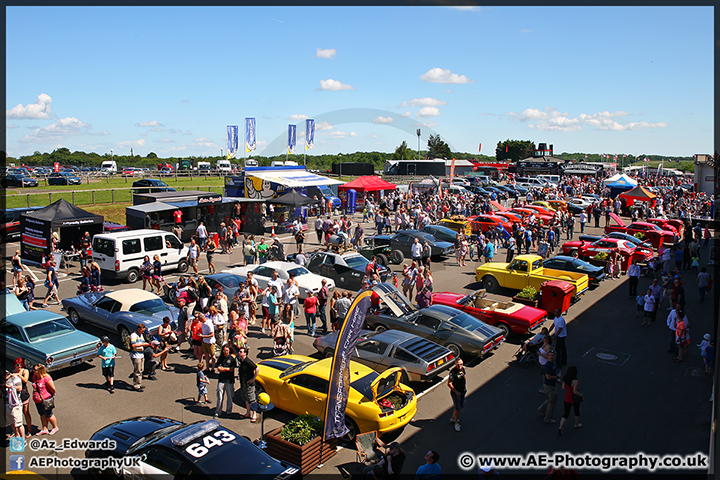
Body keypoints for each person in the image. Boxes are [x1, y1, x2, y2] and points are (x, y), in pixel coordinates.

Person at [32, 364, 58, 435]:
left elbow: (53, 389)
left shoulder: (45, 378)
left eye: (35, 370)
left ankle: (55, 427)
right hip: (37, 400)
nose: (33, 371)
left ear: (40, 371)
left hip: (46, 399)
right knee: (42, 414)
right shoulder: (34, 377)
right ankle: (44, 428)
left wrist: (51, 396)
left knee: (48, 415)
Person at [214, 343, 238, 418]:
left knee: (230, 397)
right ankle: (218, 411)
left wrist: (223, 369)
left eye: (227, 350)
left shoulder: (232, 359)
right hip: (221, 380)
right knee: (220, 397)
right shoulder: (220, 358)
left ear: (229, 350)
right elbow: (218, 368)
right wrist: (226, 369)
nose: (225, 352)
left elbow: (232, 369)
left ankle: (228, 411)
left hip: (229, 380)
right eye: (224, 350)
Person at [558, 366, 583, 435]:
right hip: (574, 398)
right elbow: (575, 391)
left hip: (567, 397)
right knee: (576, 411)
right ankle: (576, 424)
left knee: (566, 414)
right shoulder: (575, 381)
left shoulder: (566, 379)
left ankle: (561, 426)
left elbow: (563, 388)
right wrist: (581, 395)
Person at [237, 347, 259, 422]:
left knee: (251, 399)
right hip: (243, 383)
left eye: (241, 352)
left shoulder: (247, 361)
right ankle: (248, 413)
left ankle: (254, 414)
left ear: (245, 353)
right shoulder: (241, 361)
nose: (239, 353)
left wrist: (253, 379)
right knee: (246, 398)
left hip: (249, 384)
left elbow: (257, 368)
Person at [12, 358, 33, 437]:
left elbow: (25, 380)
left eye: (21, 364)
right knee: (17, 413)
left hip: (24, 394)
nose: (19, 366)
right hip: (16, 395)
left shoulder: (24, 371)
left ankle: (29, 430)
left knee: (26, 411)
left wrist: (19, 375)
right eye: (17, 365)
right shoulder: (13, 372)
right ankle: (17, 430)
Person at [537, 351, 559, 424]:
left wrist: (557, 380)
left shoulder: (552, 364)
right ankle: (547, 418)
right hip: (549, 385)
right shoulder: (548, 365)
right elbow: (548, 377)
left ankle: (541, 409)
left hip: (551, 384)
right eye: (550, 355)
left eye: (553, 355)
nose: (551, 357)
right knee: (552, 402)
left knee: (550, 399)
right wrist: (557, 377)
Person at [6, 368, 25, 439]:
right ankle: (17, 435)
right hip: (7, 404)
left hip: (16, 404)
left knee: (19, 424)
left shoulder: (15, 379)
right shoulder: (3, 380)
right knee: (12, 422)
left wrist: (9, 387)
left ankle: (23, 440)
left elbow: (19, 388)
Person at [448, 358, 466, 432]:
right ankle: (456, 423)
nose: (460, 366)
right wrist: (456, 391)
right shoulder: (453, 372)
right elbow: (449, 383)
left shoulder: (462, 369)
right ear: (455, 364)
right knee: (457, 408)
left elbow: (464, 376)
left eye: (461, 364)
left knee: (460, 406)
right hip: (456, 393)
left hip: (462, 391)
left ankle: (453, 418)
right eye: (458, 364)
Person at [130, 324, 149, 391]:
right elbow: (133, 345)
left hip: (141, 354)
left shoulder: (141, 335)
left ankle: (139, 383)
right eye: (142, 331)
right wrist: (143, 344)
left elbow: (142, 342)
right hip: (136, 355)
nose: (143, 332)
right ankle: (136, 385)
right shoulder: (134, 335)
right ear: (138, 329)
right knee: (137, 370)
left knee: (141, 369)